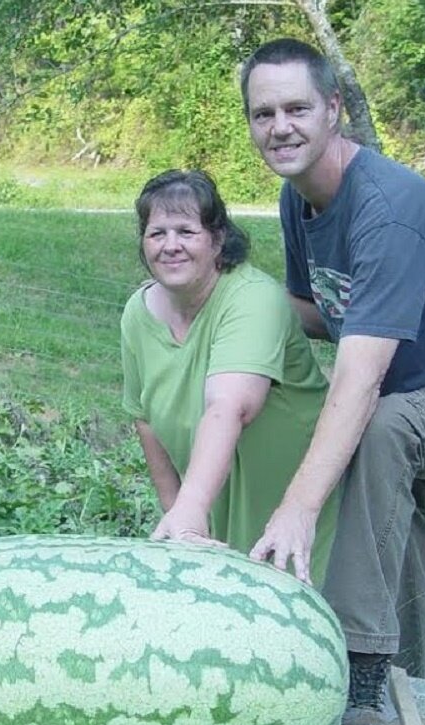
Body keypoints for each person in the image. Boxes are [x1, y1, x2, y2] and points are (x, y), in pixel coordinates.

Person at [240, 38, 425, 725]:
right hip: (406, 396)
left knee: (377, 430)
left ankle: (359, 675)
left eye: (297, 108)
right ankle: (417, 682)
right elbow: (313, 312)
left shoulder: (387, 208)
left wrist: (297, 508)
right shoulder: (298, 197)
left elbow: (359, 374)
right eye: (263, 112)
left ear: (334, 110)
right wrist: (226, 302)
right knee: (395, 540)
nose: (279, 126)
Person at [120, 169, 338, 585]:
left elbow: (229, 406)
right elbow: (145, 419)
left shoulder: (253, 299)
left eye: (186, 231)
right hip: (211, 508)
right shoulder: (137, 313)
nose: (170, 246)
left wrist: (191, 507)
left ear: (218, 240)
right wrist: (179, 515)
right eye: (156, 233)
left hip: (295, 507)